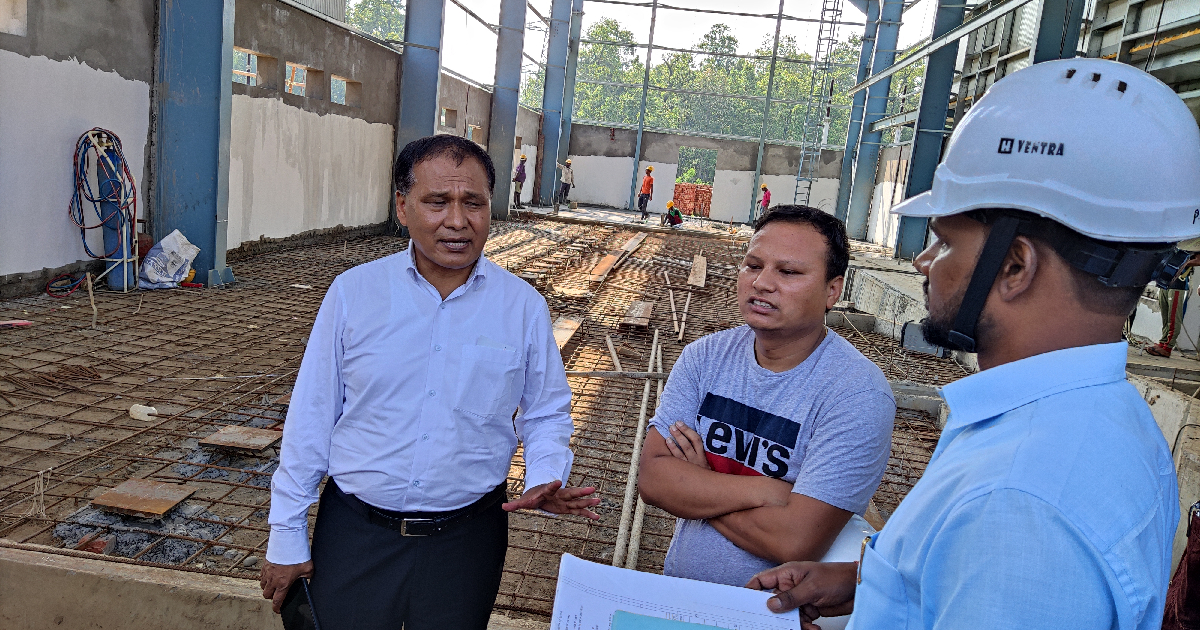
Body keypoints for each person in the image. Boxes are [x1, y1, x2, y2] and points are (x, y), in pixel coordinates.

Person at [747, 58, 1199, 630]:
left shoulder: (1018, 502)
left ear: (1014, 266)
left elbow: (1012, 559)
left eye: (944, 242)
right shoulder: (1103, 419)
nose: (923, 261)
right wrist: (875, 583)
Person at [260, 135, 600, 630]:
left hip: (467, 540)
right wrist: (286, 535)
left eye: (473, 203)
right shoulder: (355, 294)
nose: (457, 221)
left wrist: (545, 473)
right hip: (357, 532)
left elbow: (546, 410)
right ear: (403, 207)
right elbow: (312, 416)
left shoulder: (522, 307)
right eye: (437, 202)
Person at [637, 205, 895, 589]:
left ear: (832, 290)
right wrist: (768, 491)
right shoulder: (705, 357)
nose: (761, 283)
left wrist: (700, 482)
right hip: (682, 595)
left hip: (773, 610)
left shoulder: (856, 394)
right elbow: (654, 479)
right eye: (753, 265)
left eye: (788, 272)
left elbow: (794, 540)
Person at [1146, 241, 1200, 357]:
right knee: (1165, 316)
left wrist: (1182, 264)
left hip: (1179, 284)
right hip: (1166, 281)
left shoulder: (1195, 243)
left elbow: (1198, 260)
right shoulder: (1178, 241)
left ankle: (1167, 347)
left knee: (1173, 318)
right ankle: (1162, 343)